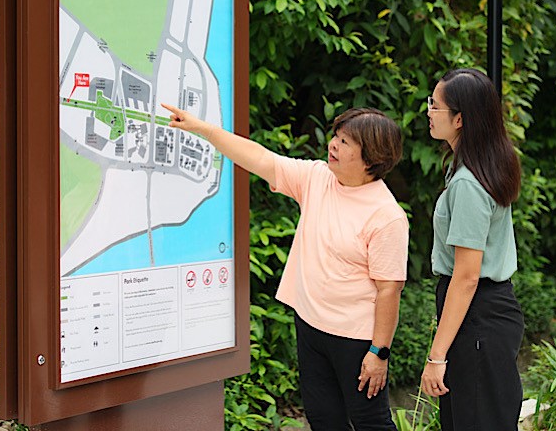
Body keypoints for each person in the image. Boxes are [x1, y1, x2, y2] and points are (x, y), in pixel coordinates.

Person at [162, 103, 408, 430]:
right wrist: (204, 130)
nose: (333, 144)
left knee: (370, 422)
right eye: (336, 136)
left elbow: (389, 289)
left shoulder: (386, 216)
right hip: (310, 325)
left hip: (356, 339)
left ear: (371, 158)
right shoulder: (318, 178)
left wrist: (379, 352)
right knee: (323, 418)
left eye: (346, 142)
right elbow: (262, 159)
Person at [419, 68, 525, 430]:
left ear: (460, 118)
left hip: (477, 313)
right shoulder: (482, 165)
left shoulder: (467, 182)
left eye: (435, 105)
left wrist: (436, 356)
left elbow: (465, 277)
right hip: (487, 311)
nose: (429, 111)